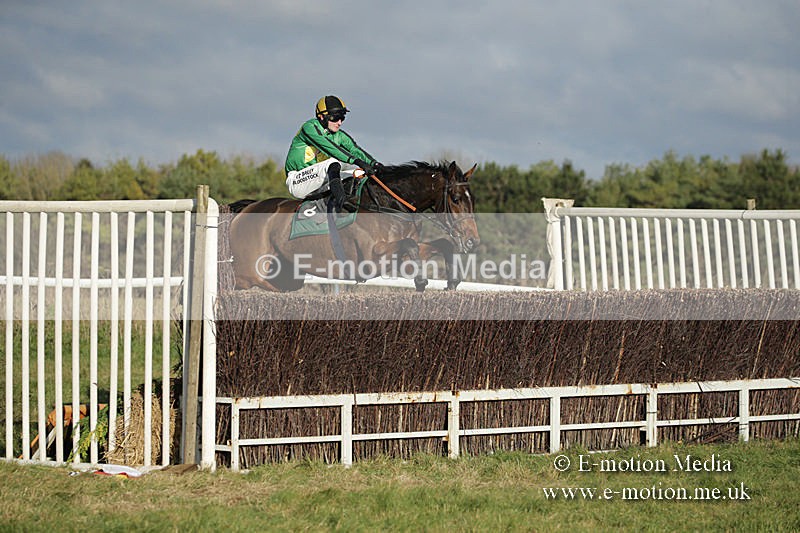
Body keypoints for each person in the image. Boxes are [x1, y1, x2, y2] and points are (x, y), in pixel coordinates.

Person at [285, 95, 382, 210]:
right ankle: (340, 201)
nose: (339, 122)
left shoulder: (339, 135)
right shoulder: (309, 127)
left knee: (360, 175)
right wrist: (357, 161)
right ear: (321, 117)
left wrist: (376, 165)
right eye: (335, 118)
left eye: (342, 118)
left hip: (323, 178)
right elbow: (331, 148)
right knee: (333, 162)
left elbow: (355, 150)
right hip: (298, 181)